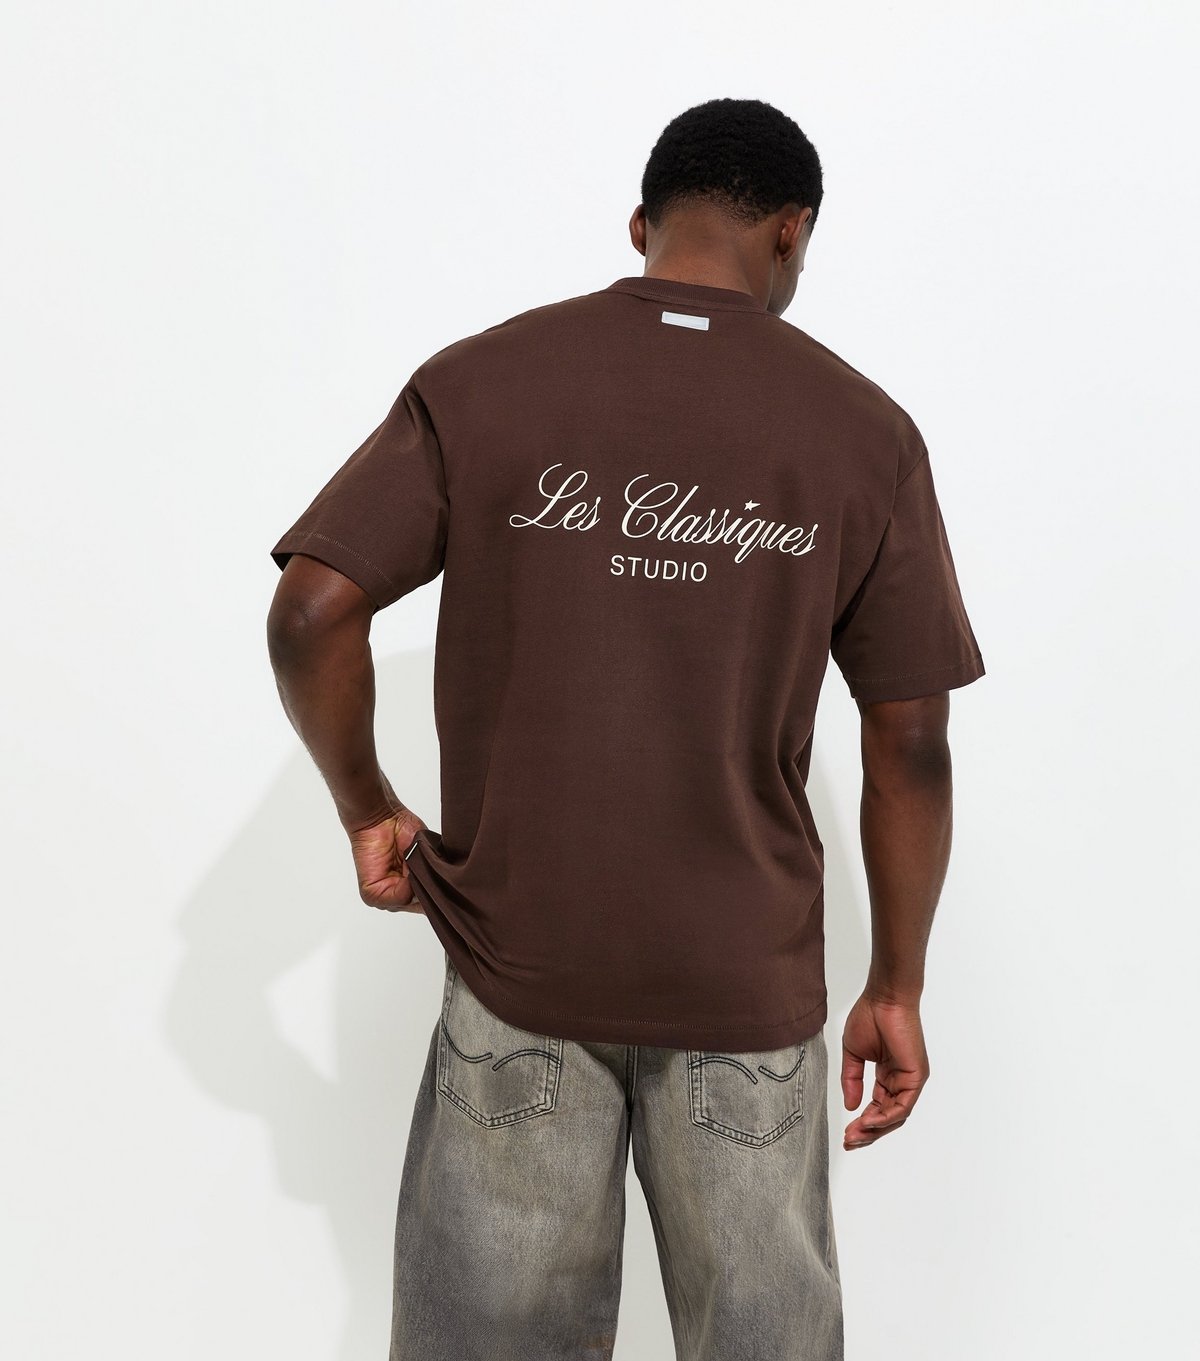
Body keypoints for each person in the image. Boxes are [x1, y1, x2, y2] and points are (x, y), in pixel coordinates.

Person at [266, 96, 986, 1361]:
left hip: (518, 967)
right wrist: (898, 983)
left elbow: (312, 608)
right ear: (792, 231)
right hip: (744, 985)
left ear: (642, 224)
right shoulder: (862, 432)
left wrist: (366, 808)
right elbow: (910, 741)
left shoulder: (482, 381)